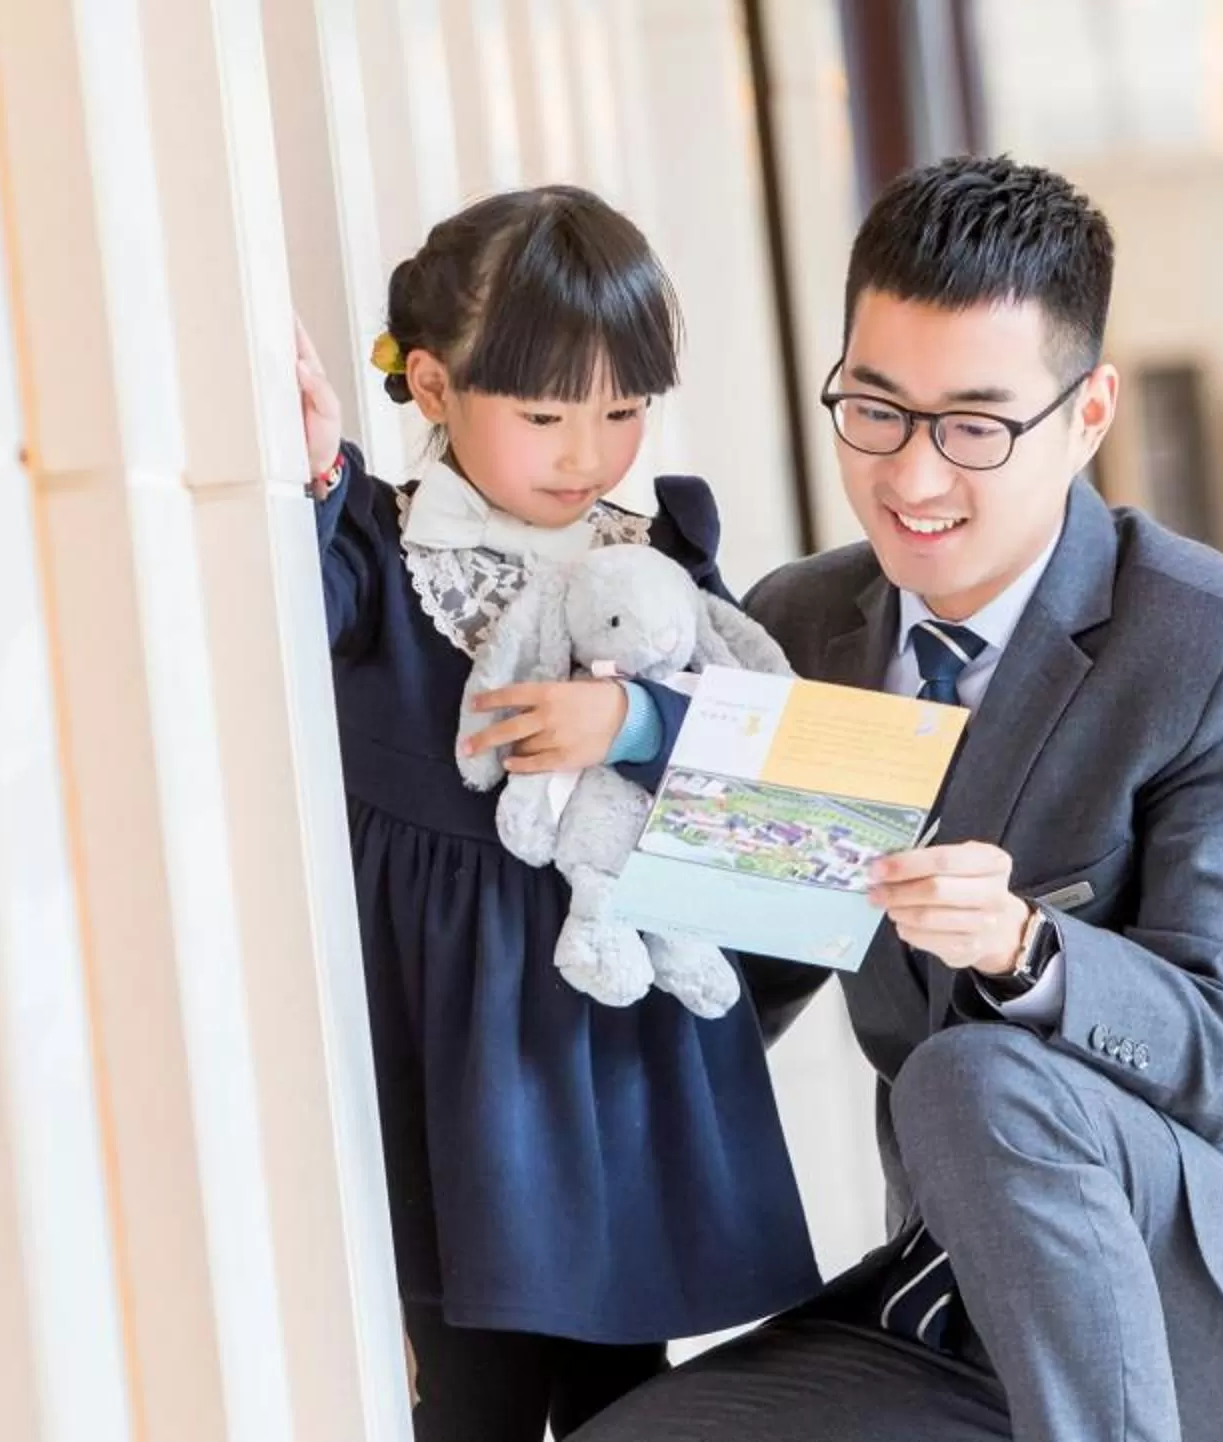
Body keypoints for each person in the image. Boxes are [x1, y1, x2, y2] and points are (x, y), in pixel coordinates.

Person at [576, 155, 1223, 1442]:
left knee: (973, 1076)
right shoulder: (800, 625)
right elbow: (735, 979)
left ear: (1088, 414)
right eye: (876, 409)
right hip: (968, 1288)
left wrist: (1030, 950)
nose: (913, 478)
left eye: (975, 427)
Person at [294, 185, 820, 1442]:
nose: (588, 452)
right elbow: (268, 623)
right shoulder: (376, 545)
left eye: (623, 410)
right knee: (463, 1389)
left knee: (627, 1398)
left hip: (619, 1049)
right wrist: (303, 472)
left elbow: (778, 769)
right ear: (431, 386)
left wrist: (633, 719)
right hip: (453, 1051)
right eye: (544, 414)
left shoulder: (660, 552)